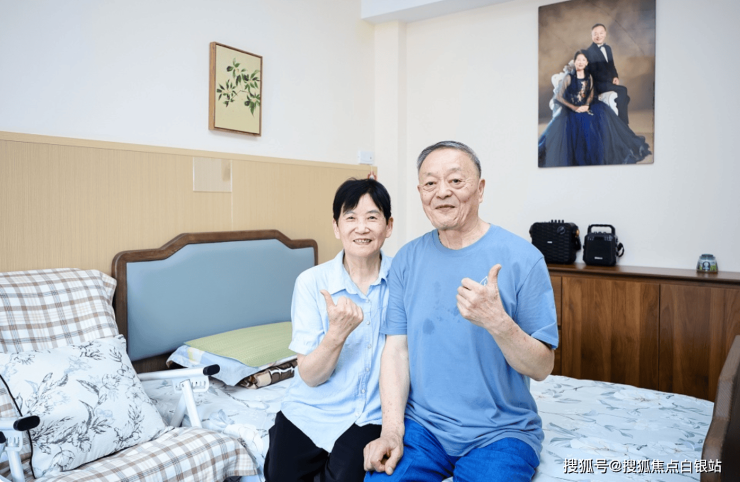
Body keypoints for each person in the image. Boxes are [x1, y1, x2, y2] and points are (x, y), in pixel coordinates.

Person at [363, 141, 558, 482]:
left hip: (501, 433)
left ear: (480, 189)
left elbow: (542, 368)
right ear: (420, 193)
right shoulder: (407, 260)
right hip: (423, 429)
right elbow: (396, 351)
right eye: (430, 183)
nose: (442, 192)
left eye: (455, 181)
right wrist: (392, 430)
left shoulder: (524, 259)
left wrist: (498, 323)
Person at [264, 178, 394, 482]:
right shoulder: (311, 283)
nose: (361, 228)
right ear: (336, 226)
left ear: (388, 226)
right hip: (309, 410)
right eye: (351, 218)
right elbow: (310, 376)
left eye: (372, 217)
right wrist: (336, 334)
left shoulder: (402, 280)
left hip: (370, 415)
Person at [538, 50, 651, 167]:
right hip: (572, 107)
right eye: (578, 60)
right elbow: (558, 96)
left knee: (603, 114)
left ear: (586, 63)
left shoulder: (589, 77)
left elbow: (591, 94)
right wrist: (575, 108)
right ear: (575, 62)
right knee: (578, 123)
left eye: (583, 60)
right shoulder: (568, 77)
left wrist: (586, 105)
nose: (580, 62)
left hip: (587, 105)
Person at [585, 23, 630, 125]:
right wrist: (610, 80)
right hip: (598, 84)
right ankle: (623, 124)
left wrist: (615, 76)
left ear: (605, 34)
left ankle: (617, 123)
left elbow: (611, 65)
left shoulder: (608, 48)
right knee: (623, 91)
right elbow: (594, 73)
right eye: (595, 34)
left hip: (608, 82)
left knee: (625, 97)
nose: (598, 36)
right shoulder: (589, 52)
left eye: (601, 33)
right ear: (592, 36)